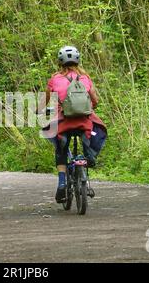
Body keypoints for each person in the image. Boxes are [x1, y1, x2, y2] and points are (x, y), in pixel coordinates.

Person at [39, 46, 107, 203]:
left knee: (60, 149)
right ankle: (89, 156)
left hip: (63, 123)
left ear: (60, 62)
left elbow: (45, 101)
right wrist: (90, 107)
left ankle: (62, 183)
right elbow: (95, 101)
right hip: (84, 123)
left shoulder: (54, 79)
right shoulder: (85, 78)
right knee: (96, 129)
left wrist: (39, 110)